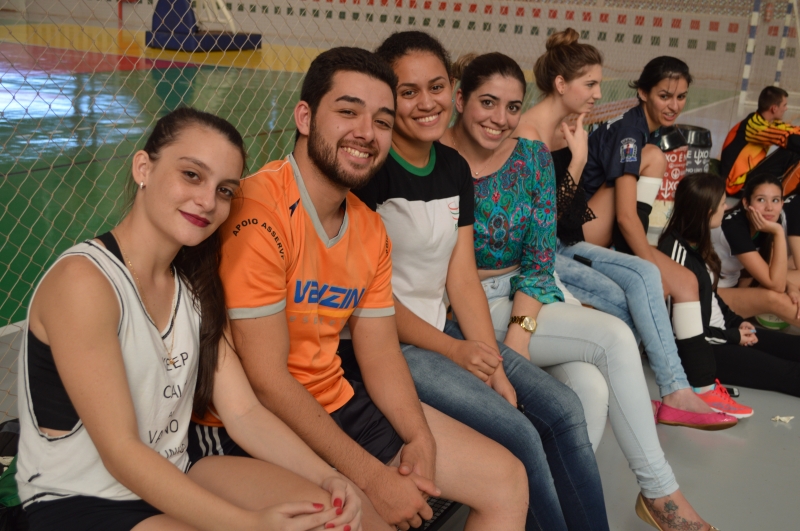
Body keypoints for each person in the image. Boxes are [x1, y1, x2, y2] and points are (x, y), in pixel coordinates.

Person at [215, 47, 529, 531]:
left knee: (506, 480)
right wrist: (372, 477)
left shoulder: (368, 228)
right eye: (348, 112)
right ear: (305, 117)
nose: (366, 132)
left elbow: (381, 354)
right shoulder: (259, 214)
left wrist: (419, 437)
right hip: (261, 425)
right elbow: (268, 381)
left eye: (382, 121)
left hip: (337, 400)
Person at [16, 108, 363, 531]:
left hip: (176, 471)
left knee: (330, 513)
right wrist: (249, 525)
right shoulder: (84, 282)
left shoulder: (193, 289)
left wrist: (329, 475)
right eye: (192, 175)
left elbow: (245, 413)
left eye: (224, 190)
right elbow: (121, 451)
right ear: (143, 168)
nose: (207, 201)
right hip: (81, 498)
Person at [442, 41, 722, 531]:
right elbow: (446, 267)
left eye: (511, 107)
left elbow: (538, 256)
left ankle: (542, 511)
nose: (501, 119)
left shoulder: (529, 158)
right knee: (614, 335)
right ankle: (661, 492)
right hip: (465, 306)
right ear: (461, 100)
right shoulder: (440, 161)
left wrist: (519, 338)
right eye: (487, 103)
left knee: (590, 387)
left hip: (524, 294)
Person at [349, 31, 608, 531]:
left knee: (564, 409)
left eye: (435, 87)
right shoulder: (372, 173)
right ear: (386, 96)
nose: (427, 103)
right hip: (391, 343)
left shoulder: (451, 167)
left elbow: (461, 275)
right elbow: (369, 303)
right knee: (521, 434)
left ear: (452, 90)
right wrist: (456, 351)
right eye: (408, 92)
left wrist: (493, 363)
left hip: (440, 330)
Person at [515, 29, 737, 431]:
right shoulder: (528, 134)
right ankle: (650, 390)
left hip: (564, 240)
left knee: (646, 275)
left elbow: (564, 216)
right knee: (631, 301)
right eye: (591, 84)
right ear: (561, 84)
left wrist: (578, 154)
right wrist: (578, 159)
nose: (599, 94)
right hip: (545, 253)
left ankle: (677, 390)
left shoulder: (566, 128)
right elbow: (541, 222)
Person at [578, 56, 751, 418]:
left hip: (605, 224)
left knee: (685, 281)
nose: (674, 105)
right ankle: (686, 388)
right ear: (643, 92)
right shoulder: (631, 133)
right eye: (664, 96)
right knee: (655, 158)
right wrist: (646, 266)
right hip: (580, 229)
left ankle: (700, 389)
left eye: (681, 97)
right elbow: (626, 216)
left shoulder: (647, 129)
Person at [660, 172, 800, 400]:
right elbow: (683, 335)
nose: (726, 208)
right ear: (708, 210)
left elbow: (713, 299)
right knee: (791, 373)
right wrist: (733, 336)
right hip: (706, 351)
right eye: (722, 203)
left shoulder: (698, 243)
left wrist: (738, 323)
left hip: (724, 331)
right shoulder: (675, 254)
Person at [710, 173, 800, 328]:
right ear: (746, 203)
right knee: (773, 297)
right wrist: (778, 232)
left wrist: (791, 287)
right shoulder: (734, 227)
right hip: (711, 295)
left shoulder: (769, 221)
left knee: (786, 291)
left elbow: (772, 273)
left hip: (737, 285)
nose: (769, 207)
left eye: (775, 200)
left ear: (782, 203)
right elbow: (776, 285)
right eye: (761, 200)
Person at [720, 86, 800, 196]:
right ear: (774, 108)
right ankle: (786, 196)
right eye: (784, 105)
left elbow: (794, 130)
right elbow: (788, 139)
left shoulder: (769, 122)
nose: (786, 109)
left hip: (750, 175)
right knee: (791, 151)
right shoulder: (754, 126)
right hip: (736, 185)